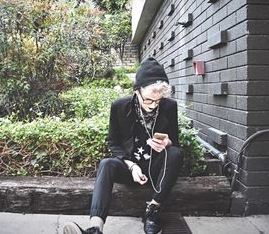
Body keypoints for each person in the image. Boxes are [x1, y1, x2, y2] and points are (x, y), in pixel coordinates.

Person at [63, 57, 183, 234]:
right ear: (137, 91)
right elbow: (113, 142)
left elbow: (175, 140)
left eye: (158, 101)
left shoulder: (169, 106)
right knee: (106, 164)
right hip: (130, 167)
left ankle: (152, 211)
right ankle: (95, 227)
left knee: (176, 153)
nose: (153, 105)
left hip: (156, 168)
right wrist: (132, 166)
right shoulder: (119, 106)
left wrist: (167, 142)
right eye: (148, 100)